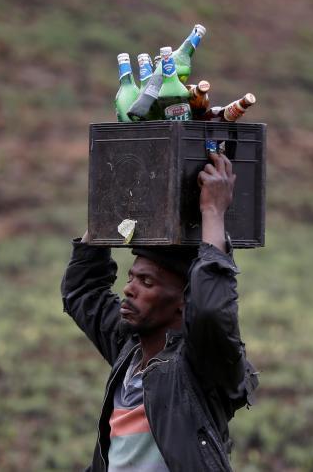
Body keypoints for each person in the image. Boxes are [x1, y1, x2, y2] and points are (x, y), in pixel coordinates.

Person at [61, 152, 259, 471]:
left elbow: (210, 311)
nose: (129, 288)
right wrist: (108, 205)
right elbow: (82, 290)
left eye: (146, 281)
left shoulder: (199, 368)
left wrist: (212, 211)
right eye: (131, 277)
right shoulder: (130, 349)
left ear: (183, 299)